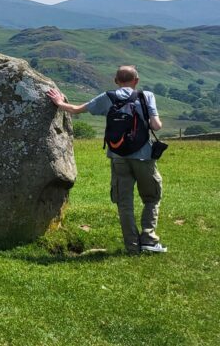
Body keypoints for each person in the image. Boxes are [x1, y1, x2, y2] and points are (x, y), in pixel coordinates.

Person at [47, 65, 167, 254]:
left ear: (116, 81)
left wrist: (59, 102)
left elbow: (77, 110)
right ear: (136, 81)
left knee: (124, 202)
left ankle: (132, 246)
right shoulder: (146, 96)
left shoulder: (108, 97)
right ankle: (149, 239)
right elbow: (156, 126)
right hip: (144, 157)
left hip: (118, 157)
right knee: (152, 197)